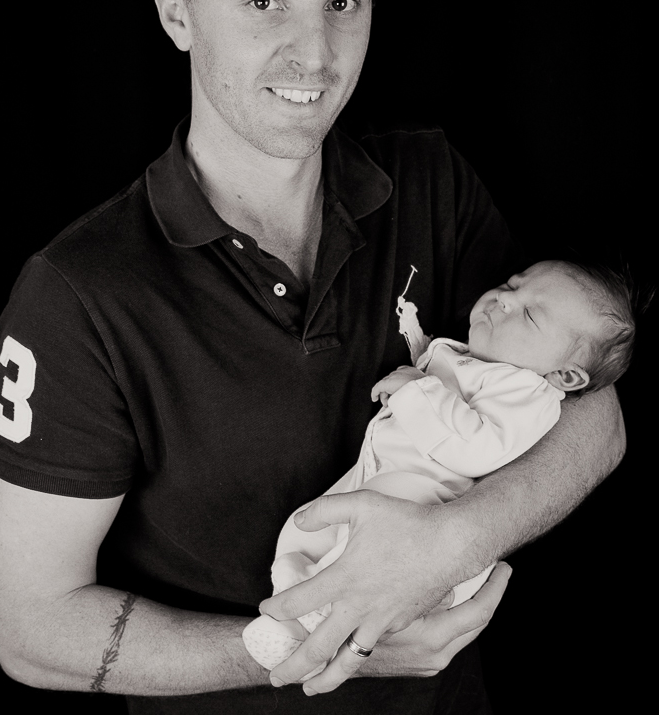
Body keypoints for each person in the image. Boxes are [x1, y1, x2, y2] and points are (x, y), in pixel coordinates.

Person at [0, 0, 626, 715]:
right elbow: (31, 629)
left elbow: (594, 412)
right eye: (263, 2)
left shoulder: (429, 181)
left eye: (343, 3)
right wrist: (315, 644)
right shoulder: (80, 293)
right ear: (176, 14)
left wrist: (447, 546)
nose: (315, 52)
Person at [243, 259, 636, 673]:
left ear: (565, 376)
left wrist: (416, 391)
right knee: (306, 526)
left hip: (426, 500)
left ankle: (320, 615)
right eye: (510, 285)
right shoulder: (474, 358)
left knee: (363, 540)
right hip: (381, 474)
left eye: (530, 315)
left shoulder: (528, 392)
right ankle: (289, 603)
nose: (504, 300)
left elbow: (475, 448)